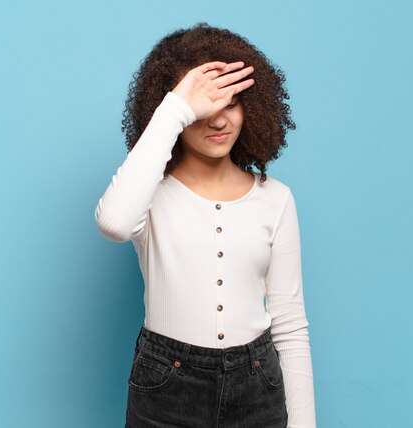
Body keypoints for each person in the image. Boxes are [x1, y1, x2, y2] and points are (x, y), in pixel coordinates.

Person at [95, 22, 316, 427]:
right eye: (204, 108)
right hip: (166, 387)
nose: (218, 121)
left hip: (258, 389)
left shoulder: (276, 199)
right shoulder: (149, 195)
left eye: (230, 102)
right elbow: (113, 223)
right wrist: (176, 107)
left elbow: (290, 324)